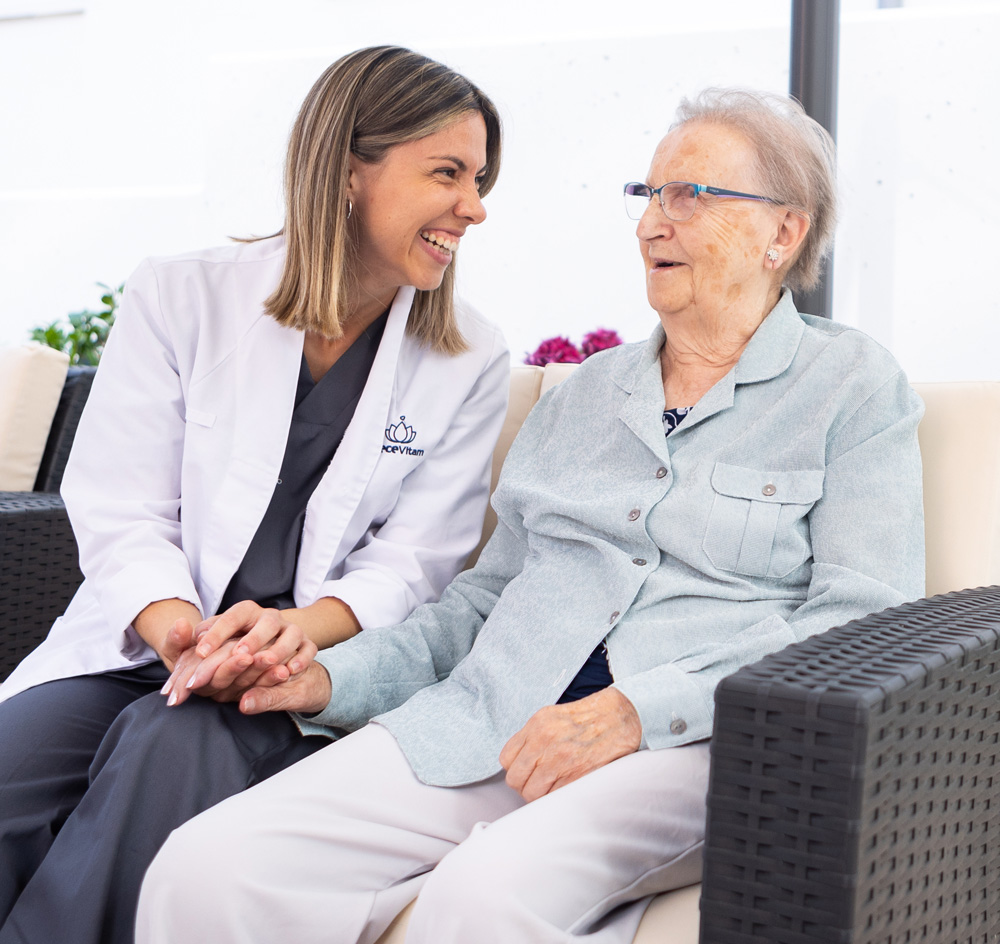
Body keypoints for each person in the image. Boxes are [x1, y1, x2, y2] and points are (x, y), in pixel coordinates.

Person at [137, 88, 925, 944]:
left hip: (689, 746)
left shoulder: (852, 387)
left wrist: (633, 711)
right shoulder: (583, 395)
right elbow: (480, 606)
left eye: (691, 195)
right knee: (207, 864)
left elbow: (861, 620)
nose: (653, 223)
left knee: (479, 899)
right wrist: (332, 678)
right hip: (494, 716)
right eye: (650, 195)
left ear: (784, 233)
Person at [0, 46, 509, 944]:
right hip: (146, 635)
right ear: (352, 170)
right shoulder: (180, 296)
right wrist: (184, 637)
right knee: (12, 766)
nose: (474, 206)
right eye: (448, 173)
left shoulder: (468, 357)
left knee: (166, 754)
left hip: (300, 669)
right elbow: (120, 508)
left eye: (478, 179)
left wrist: (285, 637)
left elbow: (414, 564)